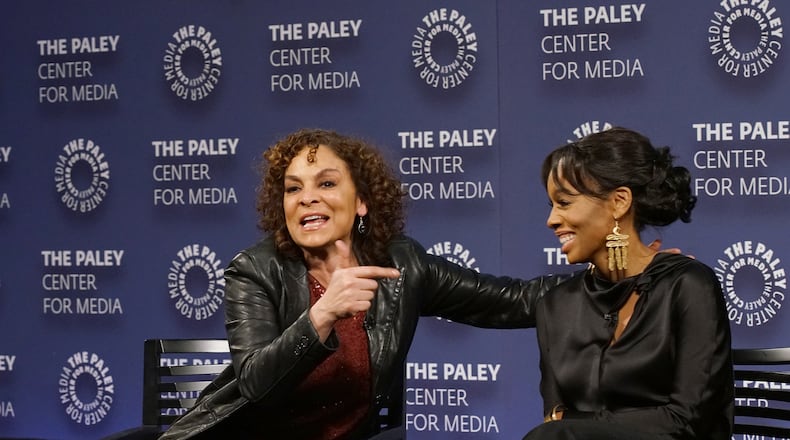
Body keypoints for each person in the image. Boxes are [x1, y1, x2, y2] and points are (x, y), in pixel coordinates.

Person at [159, 128, 570, 440]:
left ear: (361, 202)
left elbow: (512, 301)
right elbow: (256, 385)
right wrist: (322, 315)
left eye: (326, 183)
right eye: (293, 188)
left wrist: (607, 273)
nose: (306, 197)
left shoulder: (400, 264)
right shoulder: (255, 270)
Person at [523, 127, 733, 440]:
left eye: (564, 203)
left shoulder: (687, 286)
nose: (551, 220)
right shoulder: (555, 306)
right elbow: (554, 418)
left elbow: (688, 421)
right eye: (552, 205)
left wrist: (572, 422)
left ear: (619, 202)